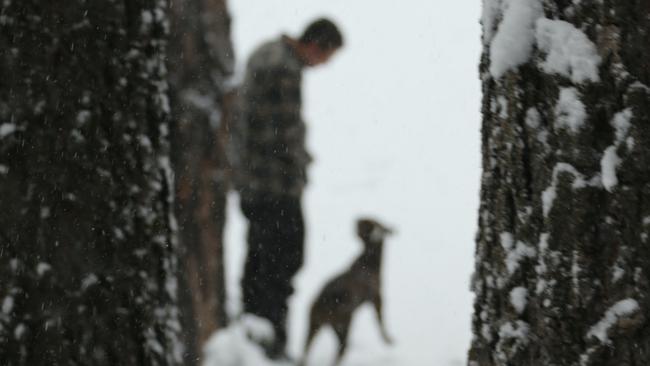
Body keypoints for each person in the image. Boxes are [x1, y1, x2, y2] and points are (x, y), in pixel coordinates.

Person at [232, 18, 344, 359]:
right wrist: (301, 165)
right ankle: (270, 340)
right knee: (282, 262)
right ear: (316, 45)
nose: (324, 65)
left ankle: (254, 334)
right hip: (275, 187)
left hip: (251, 182)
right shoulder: (284, 68)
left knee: (258, 261)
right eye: (328, 57)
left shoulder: (265, 54)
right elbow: (284, 133)